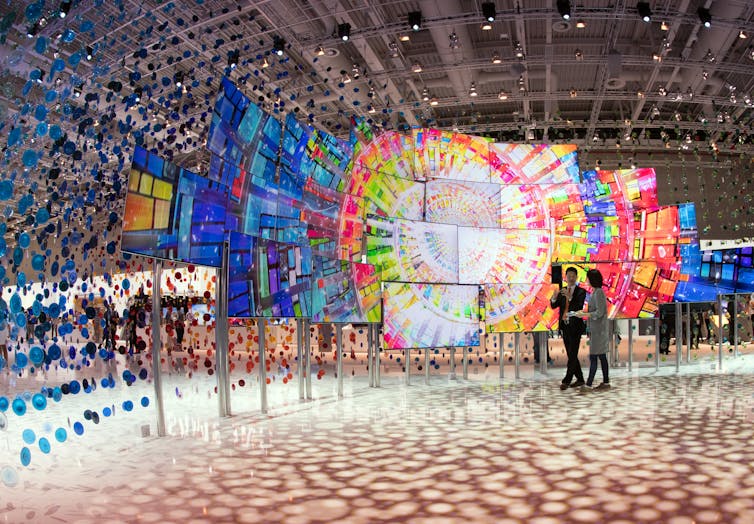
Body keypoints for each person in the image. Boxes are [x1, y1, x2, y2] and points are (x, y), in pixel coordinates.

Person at [550, 266, 587, 390]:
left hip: (575, 327)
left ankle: (567, 380)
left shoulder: (581, 292)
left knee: (572, 354)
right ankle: (580, 379)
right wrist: (554, 297)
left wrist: (570, 297)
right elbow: (554, 306)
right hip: (564, 326)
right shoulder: (562, 290)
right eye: (568, 276)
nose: (570, 278)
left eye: (573, 276)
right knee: (571, 354)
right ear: (565, 277)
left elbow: (578, 306)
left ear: (576, 277)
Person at [574, 269, 610, 392]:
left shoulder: (599, 293)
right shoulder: (596, 292)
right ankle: (605, 382)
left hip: (599, 331)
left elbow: (599, 312)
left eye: (588, 278)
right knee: (601, 356)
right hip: (596, 330)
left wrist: (587, 314)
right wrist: (583, 313)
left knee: (595, 356)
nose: (586, 280)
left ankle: (589, 384)